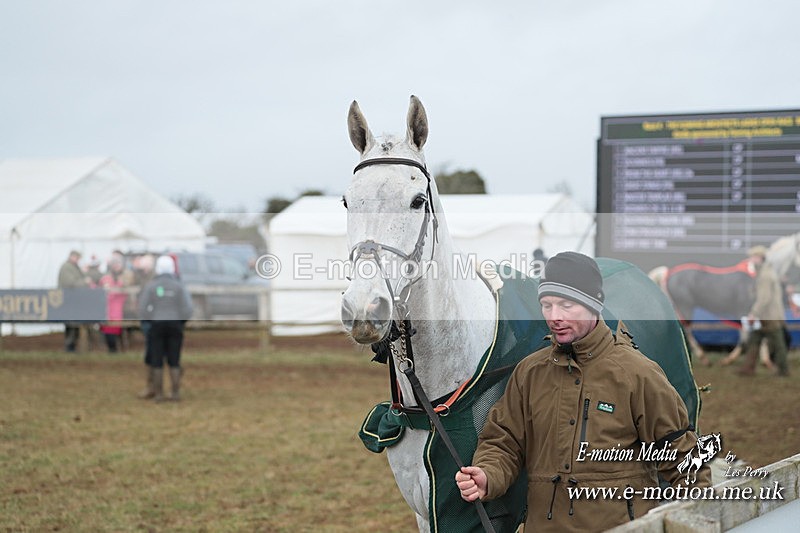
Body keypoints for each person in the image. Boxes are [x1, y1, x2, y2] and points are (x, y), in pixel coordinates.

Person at [455, 252, 711, 532]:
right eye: (547, 305)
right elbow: (503, 442)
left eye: (567, 305)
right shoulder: (529, 373)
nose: (555, 317)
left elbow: (685, 460)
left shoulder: (638, 374)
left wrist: (697, 519)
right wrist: (488, 475)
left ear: (594, 303)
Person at [138, 255, 193, 401]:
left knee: (157, 359)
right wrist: (180, 321)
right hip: (175, 325)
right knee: (174, 359)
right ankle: (175, 393)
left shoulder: (152, 286)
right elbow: (188, 309)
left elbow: (143, 308)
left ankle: (159, 394)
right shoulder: (179, 286)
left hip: (157, 325)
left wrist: (151, 319)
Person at [738, 245, 789, 377]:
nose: (750, 260)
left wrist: (753, 313)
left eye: (753, 257)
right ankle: (748, 368)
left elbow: (764, 298)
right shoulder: (766, 272)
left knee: (777, 343)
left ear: (760, 258)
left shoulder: (765, 276)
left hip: (769, 315)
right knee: (755, 340)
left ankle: (783, 370)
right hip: (767, 315)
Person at [57, 250, 90, 352]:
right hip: (69, 301)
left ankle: (72, 346)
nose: (78, 260)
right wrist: (84, 282)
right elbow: (70, 283)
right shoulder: (66, 267)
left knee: (74, 324)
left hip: (74, 301)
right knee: (70, 324)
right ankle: (69, 346)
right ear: (72, 256)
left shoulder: (74, 267)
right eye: (77, 257)